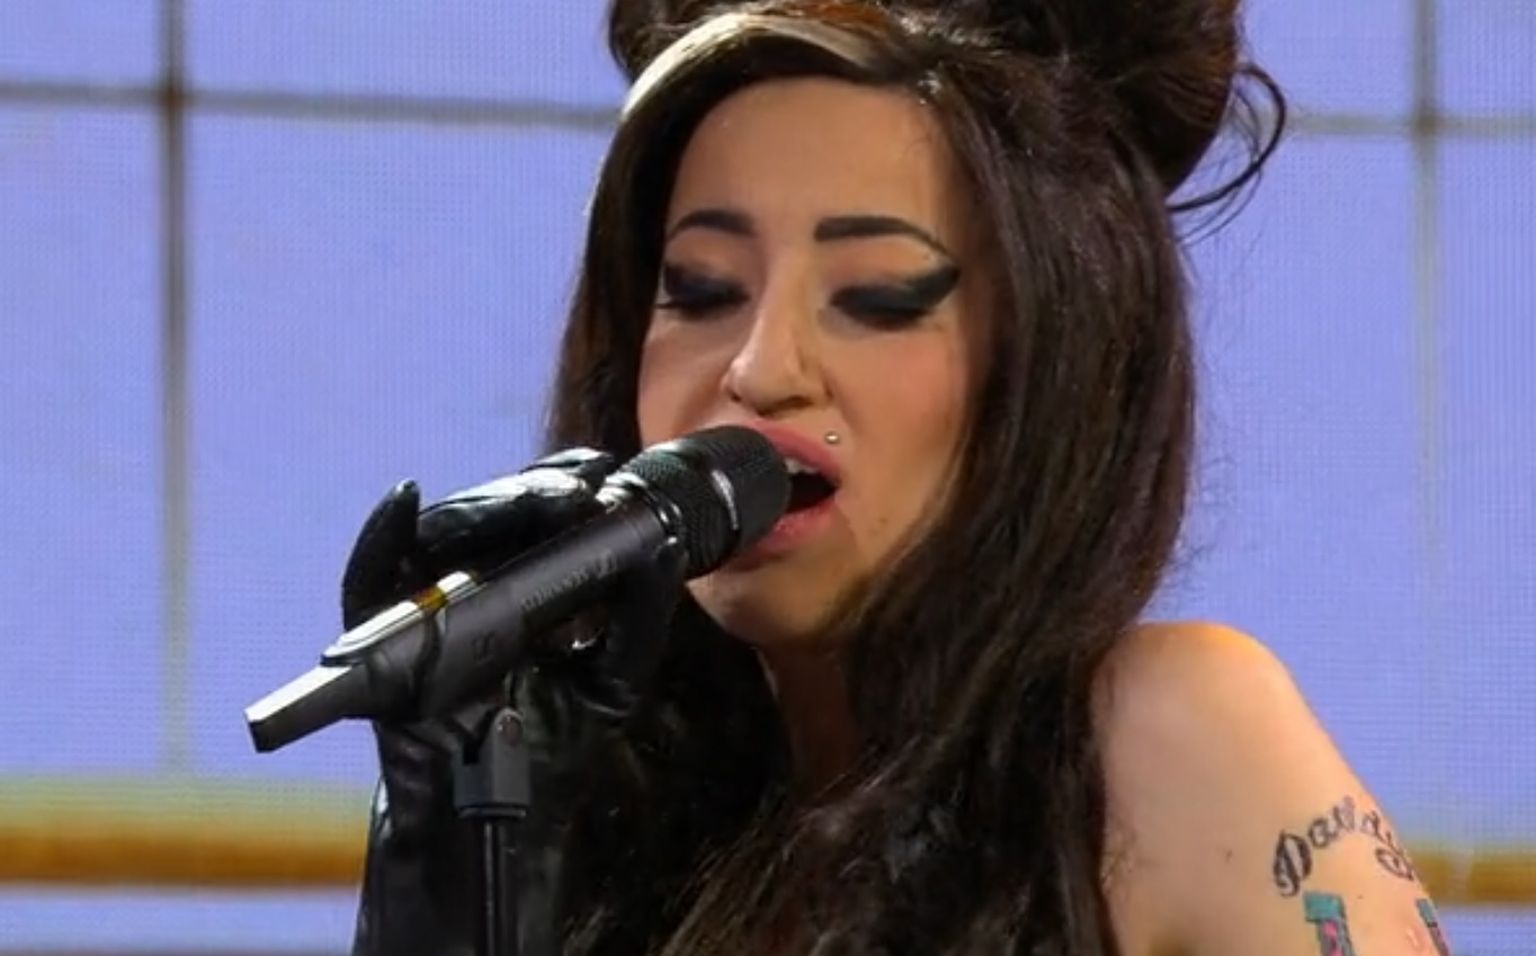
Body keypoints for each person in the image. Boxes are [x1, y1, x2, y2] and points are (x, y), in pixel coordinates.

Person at [342, 1, 1454, 953]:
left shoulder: (1162, 736)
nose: (759, 368)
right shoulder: (623, 835)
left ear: (1051, 369)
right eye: (701, 288)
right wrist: (455, 856)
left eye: (879, 296)